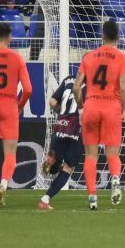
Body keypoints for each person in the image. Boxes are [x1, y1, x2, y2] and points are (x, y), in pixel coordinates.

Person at [73, 20, 125, 211]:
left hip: (91, 106)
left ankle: (92, 198)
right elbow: (124, 87)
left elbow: (75, 87)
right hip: (111, 107)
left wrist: (81, 108)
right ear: (118, 36)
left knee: (90, 155)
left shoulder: (88, 57)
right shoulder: (122, 58)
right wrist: (124, 108)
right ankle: (114, 179)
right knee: (112, 152)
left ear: (102, 35)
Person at [0, 22, 32, 205]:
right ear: (10, 38)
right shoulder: (17, 58)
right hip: (9, 105)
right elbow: (28, 89)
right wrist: (20, 106)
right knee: (10, 152)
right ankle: (3, 185)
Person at [39, 75, 83, 210]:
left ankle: (52, 159)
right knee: (68, 167)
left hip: (61, 123)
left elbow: (52, 101)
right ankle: (45, 199)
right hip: (78, 126)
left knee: (55, 163)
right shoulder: (91, 84)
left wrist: (61, 113)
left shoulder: (68, 79)